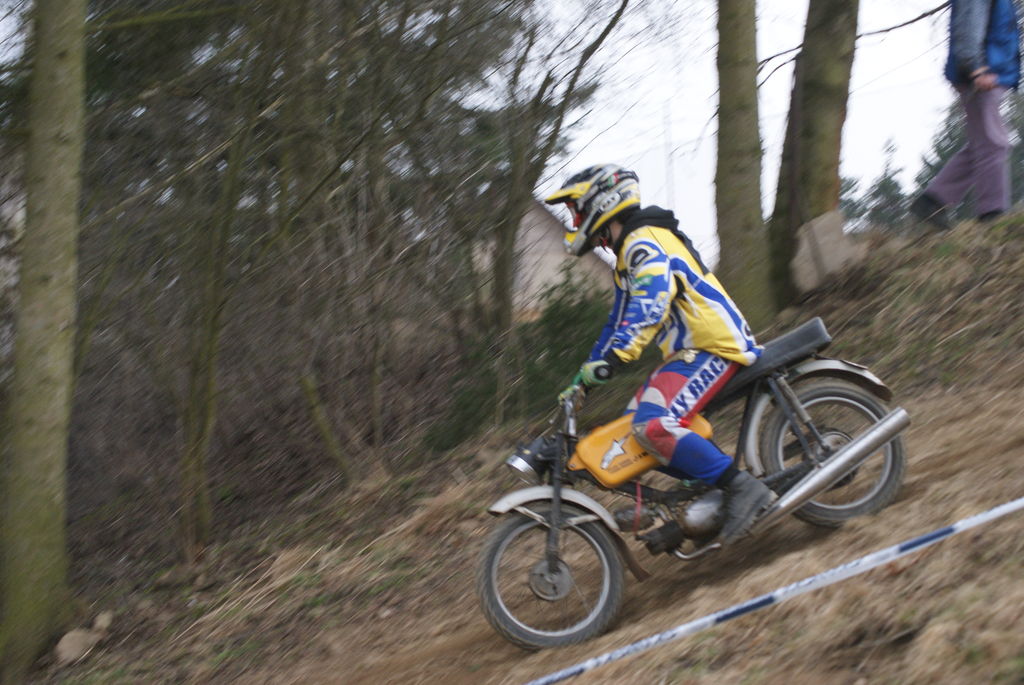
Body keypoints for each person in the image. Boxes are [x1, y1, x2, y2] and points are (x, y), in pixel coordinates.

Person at [544, 164, 772, 544]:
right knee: (633, 427)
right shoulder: (627, 256)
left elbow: (650, 307)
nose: (574, 222)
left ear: (602, 203)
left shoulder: (644, 243)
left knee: (652, 425)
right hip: (689, 352)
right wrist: (583, 378)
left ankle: (742, 488)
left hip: (713, 346)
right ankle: (704, 497)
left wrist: (615, 358)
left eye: (576, 212)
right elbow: (616, 324)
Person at [911, 0, 1021, 230]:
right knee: (994, 144)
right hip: (982, 75)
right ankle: (992, 215)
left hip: (993, 74)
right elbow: (968, 26)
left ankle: (932, 201)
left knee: (983, 144)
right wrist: (976, 68)